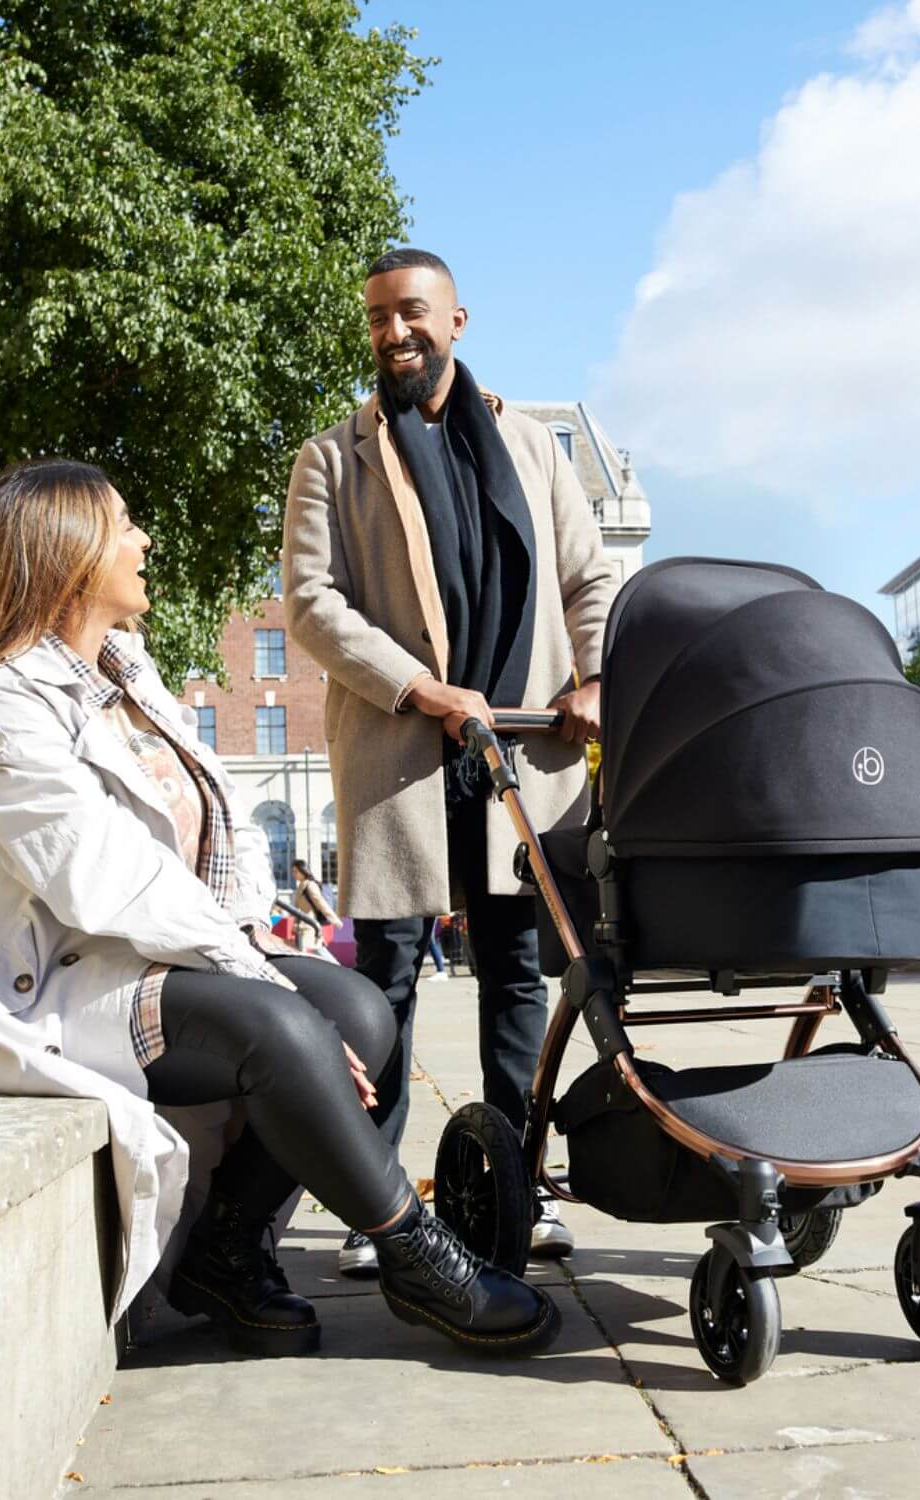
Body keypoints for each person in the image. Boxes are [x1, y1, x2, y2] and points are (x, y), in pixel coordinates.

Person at [0, 457, 557, 1358]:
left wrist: (260, 948)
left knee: (357, 1011)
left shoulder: (126, 678)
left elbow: (223, 829)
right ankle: (418, 1254)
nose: (144, 540)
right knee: (286, 1028)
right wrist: (261, 980)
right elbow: (108, 881)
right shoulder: (9, 708)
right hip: (49, 987)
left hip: (153, 959)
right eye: (123, 525)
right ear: (67, 553)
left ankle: (227, 1251)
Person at [284, 248, 616, 1278]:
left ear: (457, 320)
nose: (394, 333)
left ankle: (514, 1190)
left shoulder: (533, 445)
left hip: (524, 746)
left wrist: (597, 680)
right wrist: (420, 689)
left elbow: (587, 577)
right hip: (401, 751)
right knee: (384, 979)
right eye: (378, 317)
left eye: (413, 313)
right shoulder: (331, 458)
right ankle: (375, 1206)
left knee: (519, 974)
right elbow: (310, 603)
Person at [291, 859, 341, 952]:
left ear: (303, 871)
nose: (293, 874)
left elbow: (320, 902)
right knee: (315, 952)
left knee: (311, 953)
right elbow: (297, 910)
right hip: (301, 927)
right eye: (293, 871)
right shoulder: (301, 886)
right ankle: (335, 965)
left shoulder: (310, 885)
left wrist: (334, 919)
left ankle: (336, 966)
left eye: (296, 871)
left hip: (309, 926)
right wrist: (294, 925)